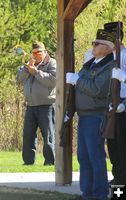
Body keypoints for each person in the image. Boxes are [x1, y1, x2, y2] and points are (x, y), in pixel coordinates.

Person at [66, 29, 115, 200]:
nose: (93, 46)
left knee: (95, 157)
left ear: (108, 48)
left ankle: (99, 194)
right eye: (93, 43)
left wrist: (77, 80)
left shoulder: (109, 66)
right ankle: (87, 193)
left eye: (97, 44)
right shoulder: (91, 63)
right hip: (84, 116)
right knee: (83, 157)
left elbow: (97, 90)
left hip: (96, 116)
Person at [17, 40, 56, 166]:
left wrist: (36, 73)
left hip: (47, 105)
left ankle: (49, 162)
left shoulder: (52, 63)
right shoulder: (29, 64)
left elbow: (53, 80)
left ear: (45, 52)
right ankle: (28, 162)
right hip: (31, 105)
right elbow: (19, 78)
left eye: (38, 52)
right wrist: (27, 68)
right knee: (28, 135)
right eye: (33, 53)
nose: (35, 55)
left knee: (48, 135)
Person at [104, 21, 126, 186]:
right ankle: (117, 174)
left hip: (123, 104)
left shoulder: (124, 55)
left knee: (122, 143)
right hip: (110, 103)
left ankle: (122, 176)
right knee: (112, 143)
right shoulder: (105, 58)